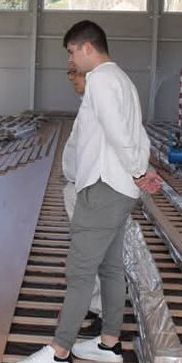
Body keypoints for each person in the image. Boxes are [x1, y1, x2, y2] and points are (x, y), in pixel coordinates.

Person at [14, 20, 162, 363]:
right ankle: (108, 343)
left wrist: (138, 170)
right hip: (118, 188)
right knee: (110, 268)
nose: (71, 61)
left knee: (79, 273)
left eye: (71, 52)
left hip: (103, 187)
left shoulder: (100, 79)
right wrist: (141, 168)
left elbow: (118, 132)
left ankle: (59, 352)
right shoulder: (122, 79)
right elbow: (137, 133)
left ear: (86, 48)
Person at [62, 66, 103, 339]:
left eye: (74, 73)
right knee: (84, 252)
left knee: (96, 253)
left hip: (92, 189)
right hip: (78, 187)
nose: (71, 79)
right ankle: (92, 304)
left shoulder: (102, 107)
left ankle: (104, 313)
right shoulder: (87, 105)